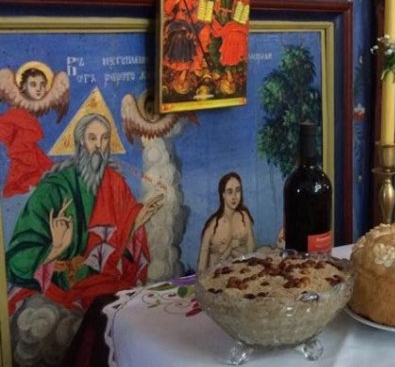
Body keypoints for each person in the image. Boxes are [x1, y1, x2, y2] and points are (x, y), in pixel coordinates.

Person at [6, 113, 165, 313]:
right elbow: (17, 259)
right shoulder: (54, 188)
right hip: (59, 287)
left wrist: (136, 222)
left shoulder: (115, 183)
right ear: (80, 142)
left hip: (103, 282)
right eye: (92, 138)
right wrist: (55, 248)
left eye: (104, 138)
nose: (99, 145)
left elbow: (117, 246)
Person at [0, 66, 58, 197]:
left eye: (42, 84)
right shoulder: (17, 115)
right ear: (23, 87)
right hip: (23, 154)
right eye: (33, 84)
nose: (39, 88)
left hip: (31, 153)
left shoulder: (30, 112)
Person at [197, 172, 256, 273]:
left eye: (238, 191)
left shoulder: (244, 217)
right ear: (223, 194)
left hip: (243, 274)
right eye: (229, 192)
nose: (234, 197)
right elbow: (202, 266)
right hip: (216, 278)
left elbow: (251, 250)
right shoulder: (212, 226)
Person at [208, 0, 250, 78]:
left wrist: (240, 7)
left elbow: (246, 6)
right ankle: (220, 69)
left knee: (232, 39)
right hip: (220, 20)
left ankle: (228, 69)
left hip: (233, 22)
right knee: (213, 47)